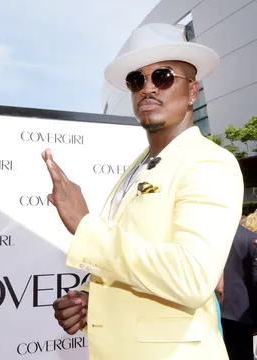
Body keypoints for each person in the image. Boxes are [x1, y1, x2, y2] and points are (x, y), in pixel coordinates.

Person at [42, 23, 244, 360]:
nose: (147, 88)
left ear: (192, 92)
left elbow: (191, 278)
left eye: (162, 77)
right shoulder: (136, 169)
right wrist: (90, 298)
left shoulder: (209, 162)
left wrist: (86, 225)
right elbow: (133, 261)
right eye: (137, 80)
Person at [216, 224, 257, 359]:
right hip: (241, 312)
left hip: (215, 308)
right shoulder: (250, 239)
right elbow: (255, 280)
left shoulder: (213, 237)